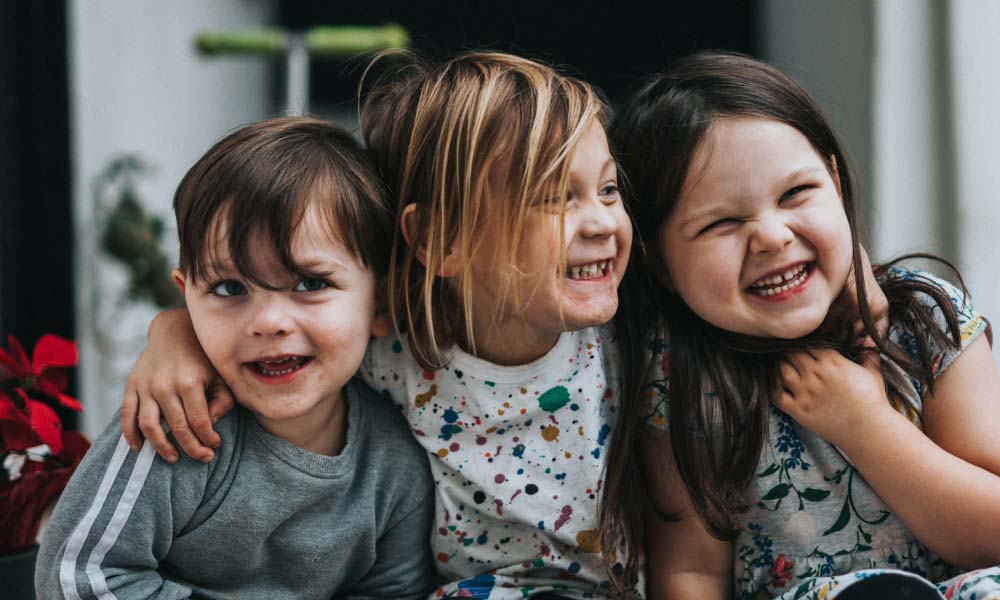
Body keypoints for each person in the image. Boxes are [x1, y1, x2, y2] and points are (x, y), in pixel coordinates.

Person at [113, 52, 642, 598]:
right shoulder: (395, 349)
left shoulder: (634, 341)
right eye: (554, 197)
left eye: (607, 189)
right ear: (443, 241)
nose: (602, 221)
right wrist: (175, 333)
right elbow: (291, 325)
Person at [607, 51, 1000, 599]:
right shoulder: (680, 378)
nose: (771, 236)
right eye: (722, 223)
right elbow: (692, 572)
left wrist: (865, 426)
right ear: (660, 264)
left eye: (796, 193)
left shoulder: (926, 319)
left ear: (835, 183)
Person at [36, 117, 436, 599]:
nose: (268, 322)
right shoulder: (175, 428)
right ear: (187, 298)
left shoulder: (396, 469)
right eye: (230, 288)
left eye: (311, 283)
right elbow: (75, 578)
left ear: (382, 303)